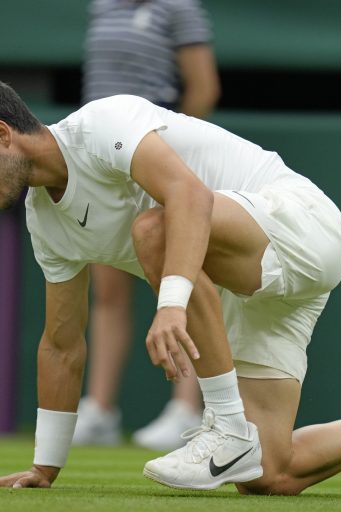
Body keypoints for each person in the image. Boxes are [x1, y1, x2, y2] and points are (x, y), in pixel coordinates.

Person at [0, 77, 341, 499]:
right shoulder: (44, 224)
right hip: (252, 286)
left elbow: (190, 198)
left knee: (155, 224)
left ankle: (225, 426)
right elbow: (62, 344)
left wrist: (170, 305)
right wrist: (44, 469)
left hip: (300, 224)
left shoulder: (103, 124)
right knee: (270, 473)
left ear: (3, 135)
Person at [73, 0, 221, 450]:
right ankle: (99, 409)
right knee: (108, 293)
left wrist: (171, 154)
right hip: (102, 165)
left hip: (156, 158)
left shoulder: (178, 8)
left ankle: (186, 408)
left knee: (181, 282)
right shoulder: (101, 6)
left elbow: (203, 88)